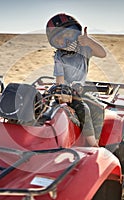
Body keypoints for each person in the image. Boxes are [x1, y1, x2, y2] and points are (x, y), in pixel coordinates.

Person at [46, 13, 106, 147]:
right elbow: (59, 80)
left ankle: (96, 139)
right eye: (59, 39)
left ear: (76, 33)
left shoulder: (84, 49)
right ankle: (93, 145)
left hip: (80, 90)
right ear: (54, 43)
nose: (65, 41)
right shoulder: (59, 56)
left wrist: (89, 41)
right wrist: (63, 101)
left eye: (68, 35)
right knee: (84, 109)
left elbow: (102, 53)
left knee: (99, 107)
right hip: (65, 93)